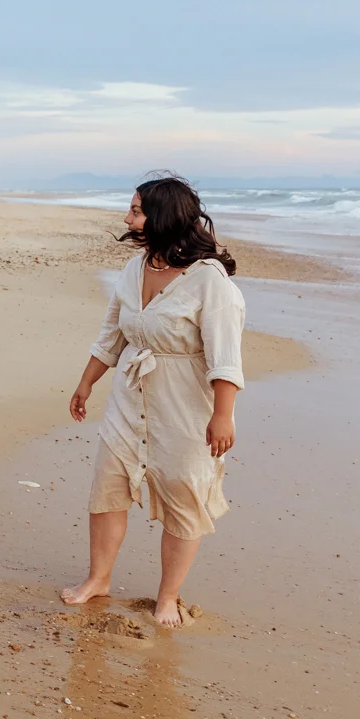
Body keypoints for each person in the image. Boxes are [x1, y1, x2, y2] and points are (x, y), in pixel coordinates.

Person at [61, 175, 246, 628]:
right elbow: (112, 335)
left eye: (137, 210)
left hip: (185, 406)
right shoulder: (134, 269)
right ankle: (97, 579)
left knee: (184, 495)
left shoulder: (210, 283)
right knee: (108, 487)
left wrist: (224, 416)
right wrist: (86, 384)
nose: (128, 219)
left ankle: (168, 597)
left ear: (163, 217)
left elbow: (225, 357)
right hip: (129, 396)